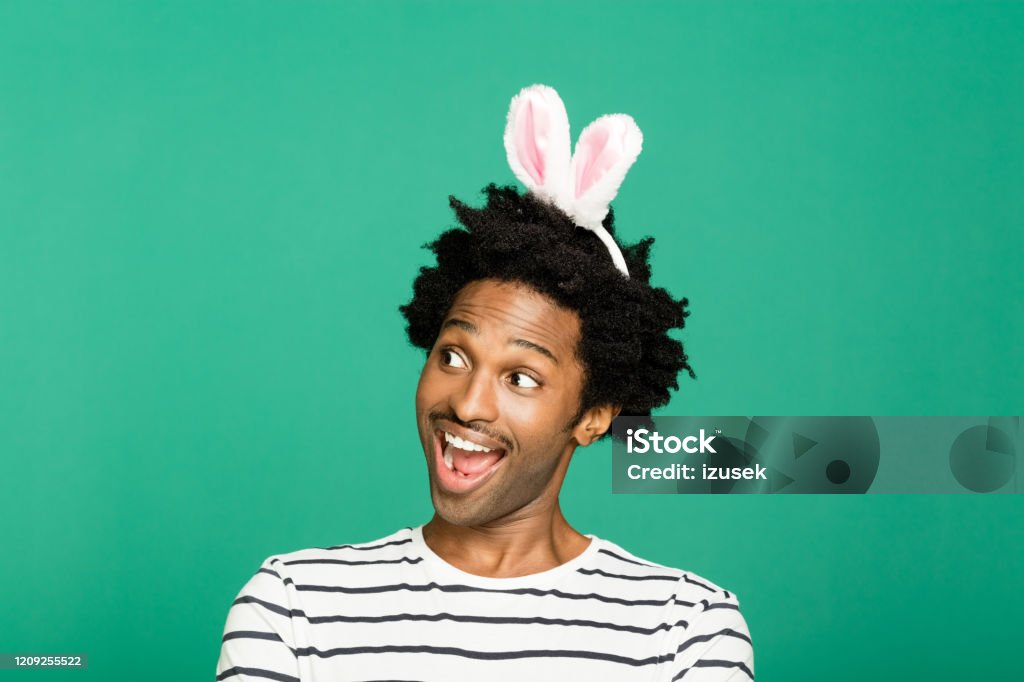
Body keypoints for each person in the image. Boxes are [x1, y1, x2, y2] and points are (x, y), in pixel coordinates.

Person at [216, 85, 754, 681]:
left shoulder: (686, 627)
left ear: (594, 415)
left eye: (521, 377)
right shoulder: (294, 606)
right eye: (453, 357)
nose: (468, 404)